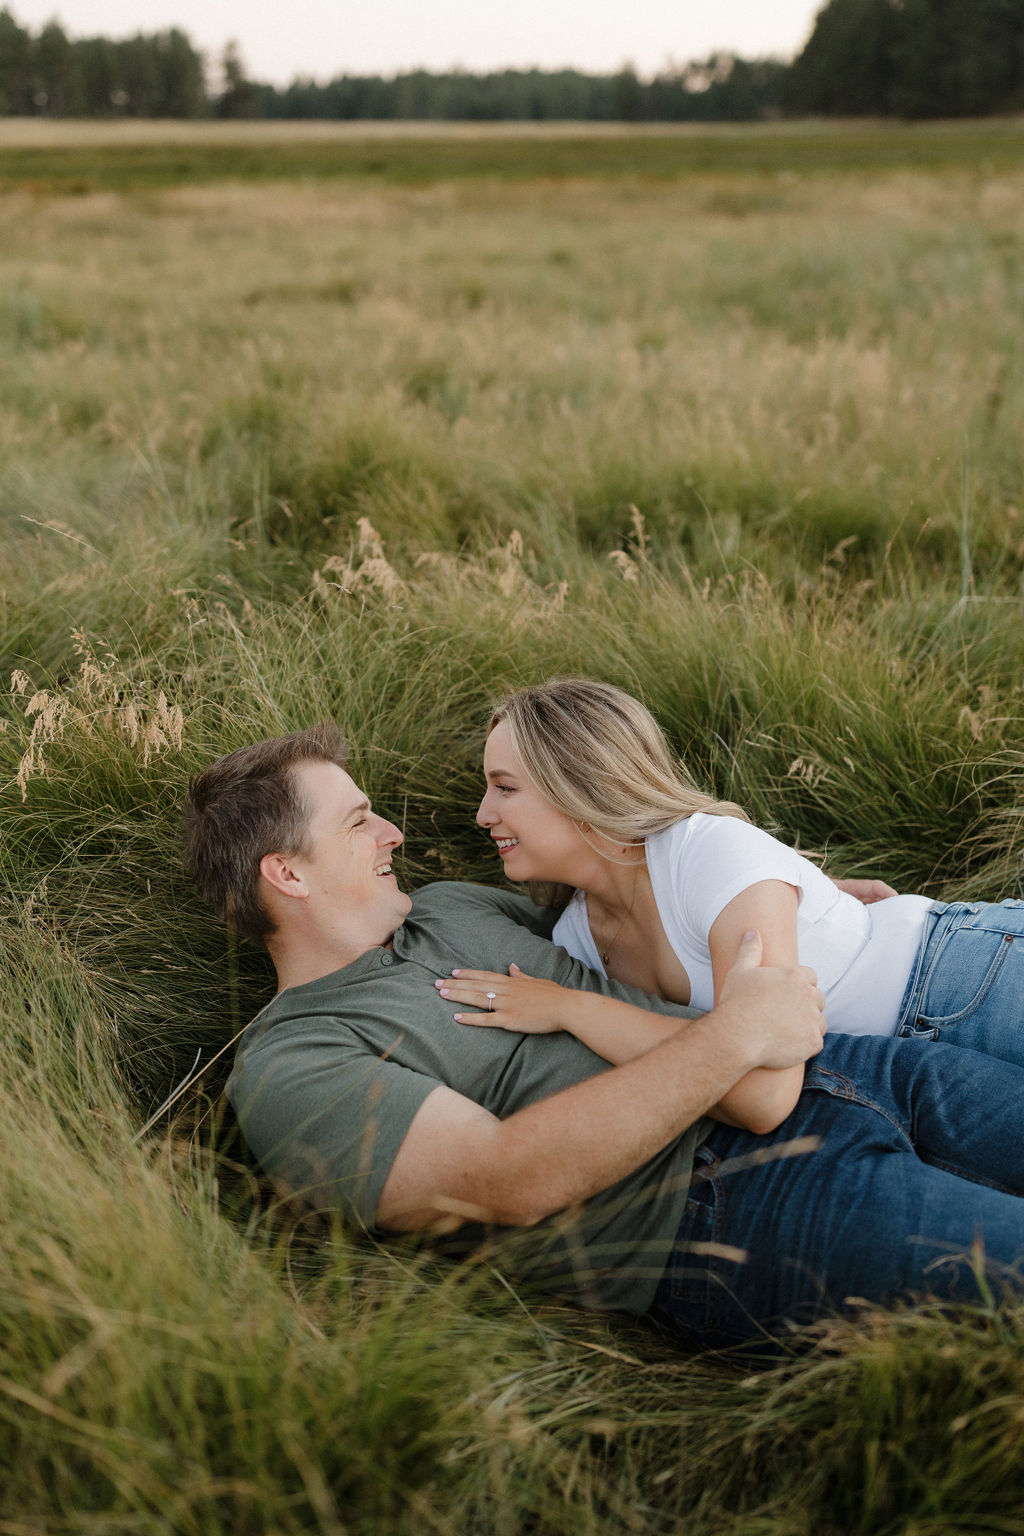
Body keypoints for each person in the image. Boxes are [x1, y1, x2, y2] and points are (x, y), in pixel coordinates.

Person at [183, 722, 1024, 1353]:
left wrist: (786, 890)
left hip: (835, 1063)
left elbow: (619, 901)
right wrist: (732, 1037)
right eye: (359, 822)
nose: (391, 834)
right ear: (286, 873)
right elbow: (503, 1180)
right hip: (724, 1206)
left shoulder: (447, 906)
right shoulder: (295, 1065)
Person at [450, 677, 1024, 1131]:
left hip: (961, 982)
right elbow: (719, 1063)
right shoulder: (576, 942)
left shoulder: (706, 854)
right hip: (883, 1077)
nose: (483, 814)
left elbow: (760, 1095)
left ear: (580, 784)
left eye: (504, 787)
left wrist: (571, 1009)